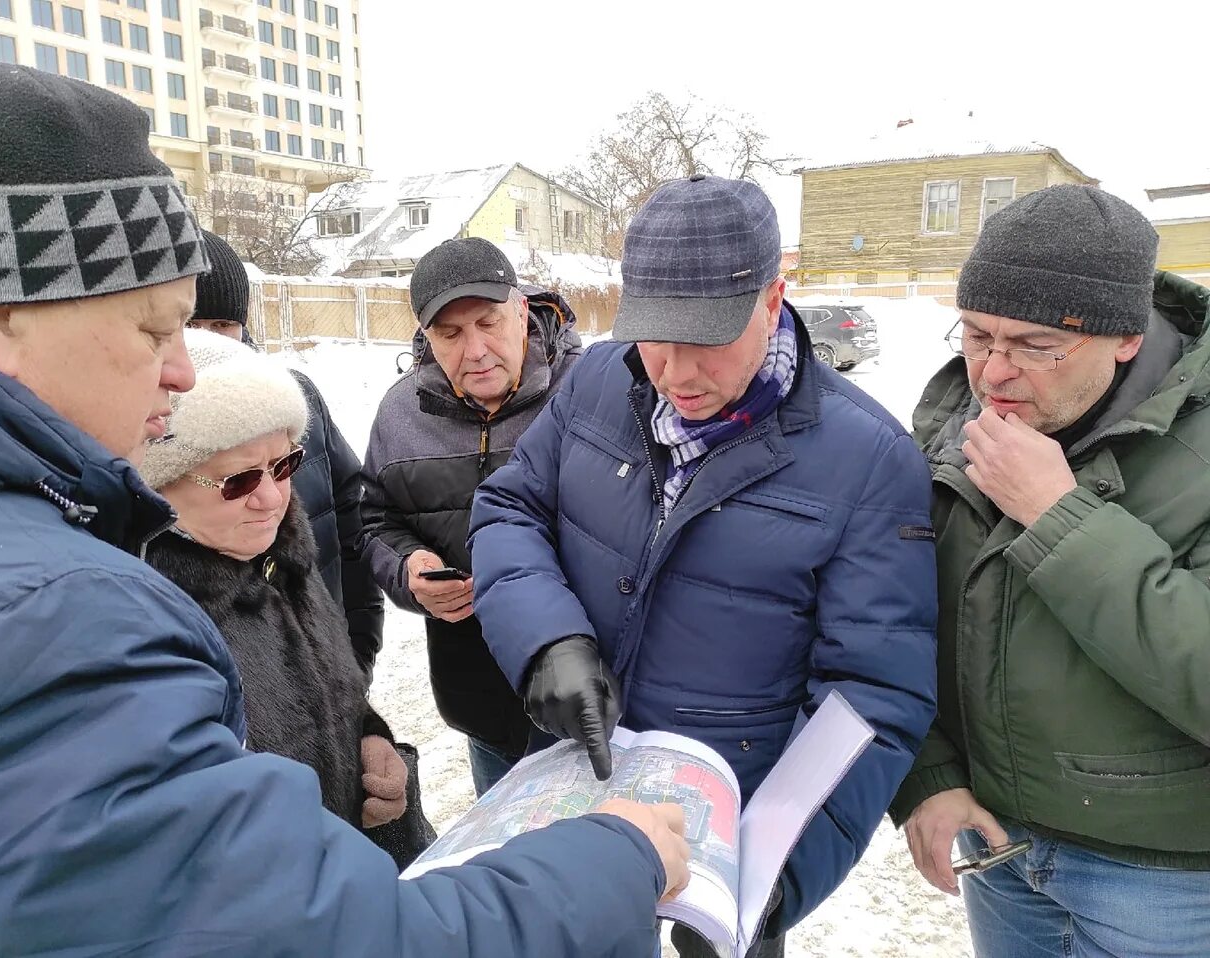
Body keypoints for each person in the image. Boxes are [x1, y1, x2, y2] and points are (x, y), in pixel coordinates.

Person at [0, 62, 691, 957]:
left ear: (526, 316)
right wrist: (618, 860)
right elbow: (336, 935)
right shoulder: (57, 609)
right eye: (152, 329)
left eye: (284, 467)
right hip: (487, 720)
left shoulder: (591, 399)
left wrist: (363, 720)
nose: (181, 371)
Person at [468, 173, 939, 956]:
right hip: (581, 801)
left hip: (732, 842)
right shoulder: (594, 384)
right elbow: (509, 509)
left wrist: (775, 876)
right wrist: (547, 640)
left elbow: (870, 696)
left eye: (708, 341)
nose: (677, 375)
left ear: (772, 296)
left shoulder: (870, 460)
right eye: (657, 337)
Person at [888, 184, 1210, 957]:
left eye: (1035, 345)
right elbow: (894, 622)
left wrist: (1060, 516)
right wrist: (927, 780)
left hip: (1165, 883)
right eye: (974, 334)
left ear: (1126, 337)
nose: (994, 372)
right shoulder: (948, 428)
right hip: (998, 857)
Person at [140, 329, 433, 867]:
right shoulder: (149, 619)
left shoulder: (283, 559)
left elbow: (331, 691)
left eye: (284, 466)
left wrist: (370, 739)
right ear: (160, 482)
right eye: (238, 481)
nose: (272, 498)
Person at [359, 236, 582, 796]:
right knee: (506, 867)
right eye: (451, 334)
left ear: (523, 311)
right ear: (426, 337)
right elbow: (373, 521)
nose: (476, 350)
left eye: (488, 322)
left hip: (593, 697)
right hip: (482, 708)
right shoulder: (399, 413)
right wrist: (409, 570)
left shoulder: (589, 391)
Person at [186, 229, 384, 673]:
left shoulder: (297, 402)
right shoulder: (146, 432)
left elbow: (352, 523)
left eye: (222, 325)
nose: (209, 342)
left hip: (330, 675)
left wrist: (357, 653)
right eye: (190, 325)